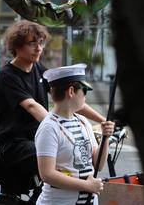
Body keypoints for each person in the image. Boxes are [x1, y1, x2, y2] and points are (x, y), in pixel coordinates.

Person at [0, 20, 105, 202]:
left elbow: (71, 99)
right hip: (16, 143)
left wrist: (103, 120)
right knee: (60, 160)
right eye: (32, 43)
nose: (38, 48)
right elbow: (31, 106)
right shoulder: (7, 75)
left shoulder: (38, 68)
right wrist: (62, 127)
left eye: (41, 43)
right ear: (17, 45)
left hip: (38, 137)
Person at [35, 64, 115, 205]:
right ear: (71, 91)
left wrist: (105, 137)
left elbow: (98, 165)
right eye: (84, 90)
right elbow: (47, 174)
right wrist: (86, 186)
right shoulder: (49, 127)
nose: (85, 96)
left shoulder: (83, 122)